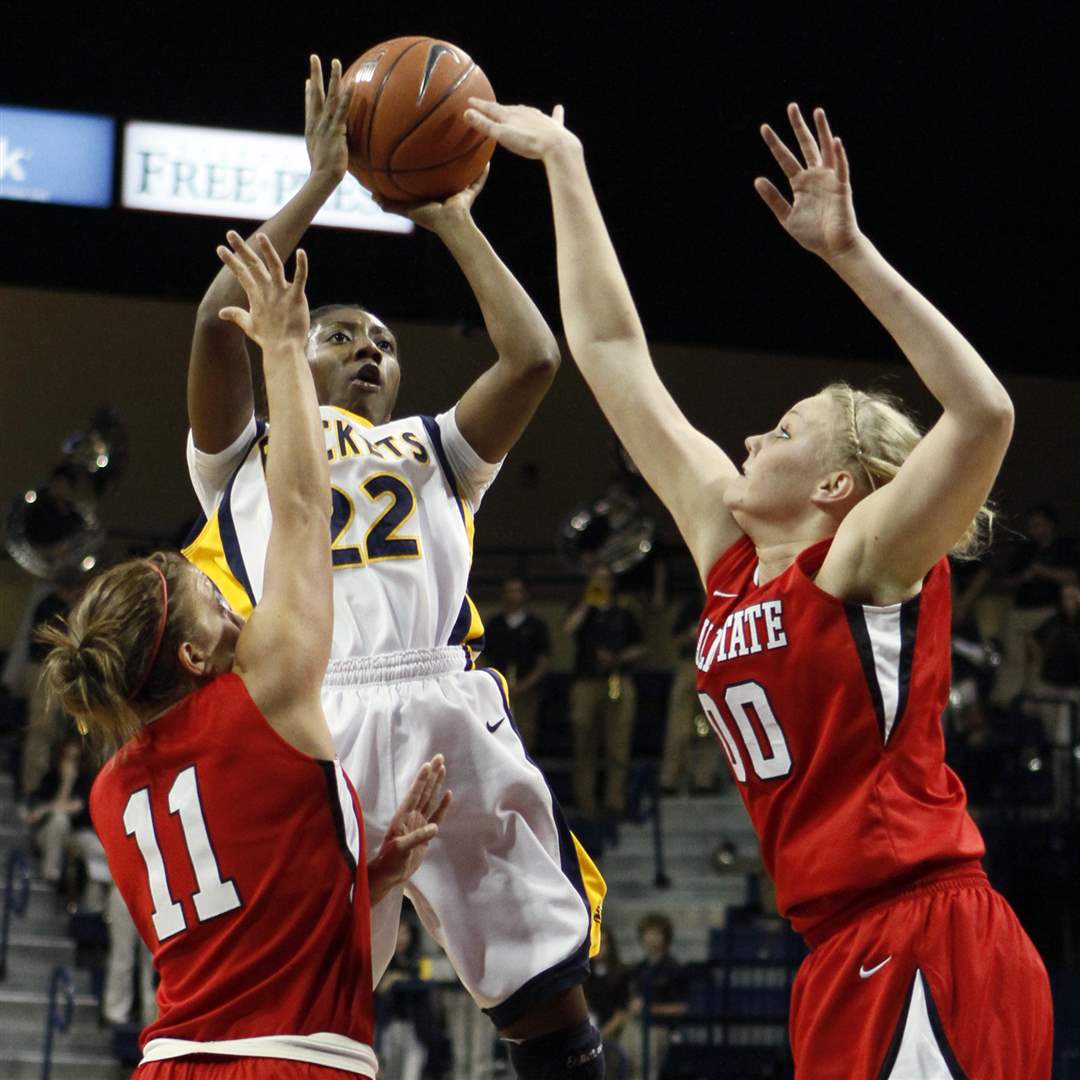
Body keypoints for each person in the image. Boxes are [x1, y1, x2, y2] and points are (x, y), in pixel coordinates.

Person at [465, 97, 1053, 1076]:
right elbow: (611, 355)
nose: (746, 438)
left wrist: (848, 253)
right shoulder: (731, 561)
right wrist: (565, 162)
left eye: (780, 432)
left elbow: (984, 414)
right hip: (837, 948)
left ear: (836, 489)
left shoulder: (861, 564)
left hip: (924, 930)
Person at [182, 57, 606, 1080]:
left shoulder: (437, 448)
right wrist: (323, 183)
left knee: (545, 1000)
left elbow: (534, 358)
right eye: (341, 334)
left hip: (437, 705)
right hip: (310, 718)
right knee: (304, 1010)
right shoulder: (240, 453)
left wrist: (453, 218)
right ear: (294, 344)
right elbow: (212, 324)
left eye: (383, 341)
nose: (368, 348)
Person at [39, 232, 449, 1078]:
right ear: (193, 655)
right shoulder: (264, 695)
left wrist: (374, 879)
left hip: (175, 1056)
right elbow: (301, 504)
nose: (239, 606)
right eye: (219, 604)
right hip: (287, 1059)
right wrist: (285, 352)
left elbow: (252, 927)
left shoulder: (113, 790)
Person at [564, 566, 644, 818]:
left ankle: (614, 802)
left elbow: (640, 646)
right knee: (584, 742)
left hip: (618, 680)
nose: (601, 583)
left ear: (612, 583)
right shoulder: (581, 609)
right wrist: (587, 603)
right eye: (596, 579)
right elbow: (568, 630)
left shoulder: (623, 613)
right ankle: (585, 802)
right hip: (586, 681)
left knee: (618, 745)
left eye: (605, 579)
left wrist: (618, 657)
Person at [658, 592, 720, 796]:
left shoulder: (723, 601)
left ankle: (703, 779)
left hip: (714, 667)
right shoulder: (690, 606)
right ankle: (670, 779)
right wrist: (691, 635)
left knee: (706, 727)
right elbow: (674, 640)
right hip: (689, 666)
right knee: (679, 729)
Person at [482, 577, 552, 754]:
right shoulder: (494, 624)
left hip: (527, 691)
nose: (512, 596)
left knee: (525, 735)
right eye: (508, 591)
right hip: (497, 692)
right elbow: (483, 658)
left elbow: (544, 661)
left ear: (525, 595)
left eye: (517, 591)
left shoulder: (537, 625)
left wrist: (523, 685)